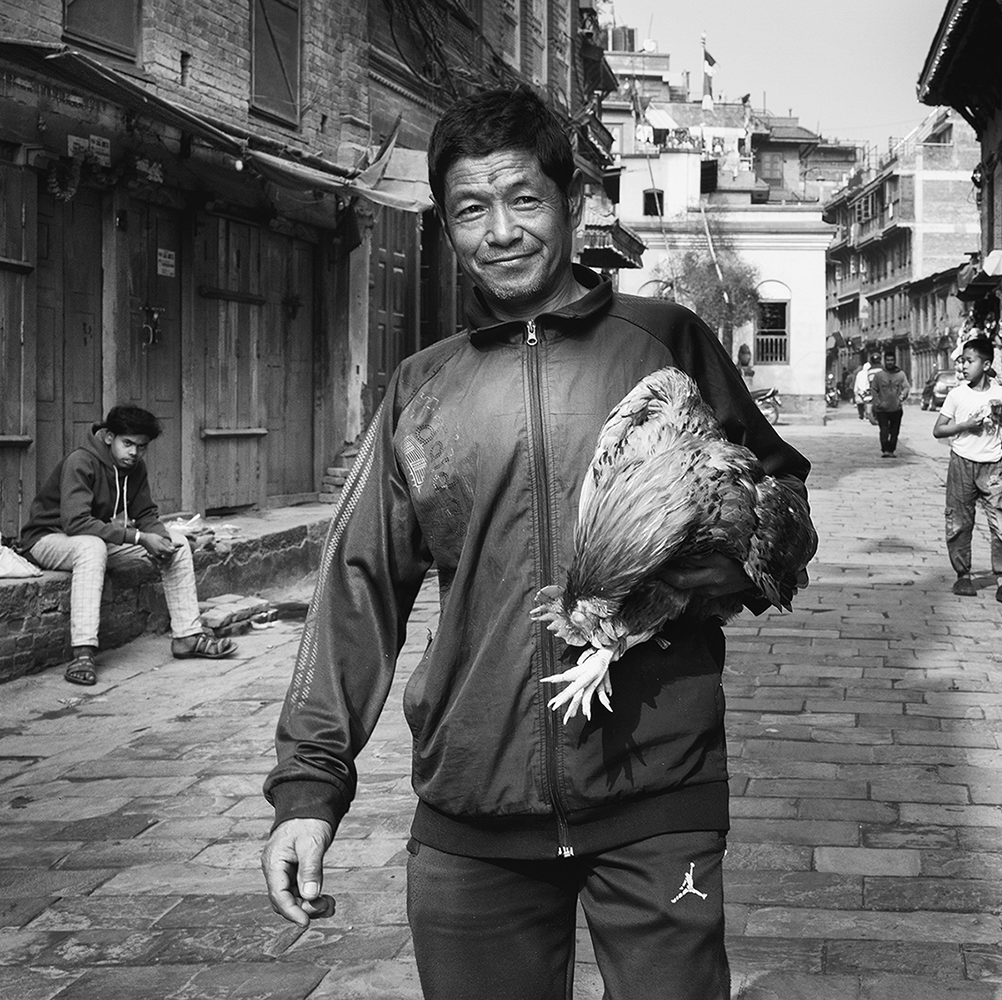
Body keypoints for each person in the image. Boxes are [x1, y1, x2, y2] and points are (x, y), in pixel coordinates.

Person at [259, 86, 812, 1000]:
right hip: (473, 810)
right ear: (446, 225)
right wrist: (308, 791)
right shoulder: (420, 389)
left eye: (524, 199)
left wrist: (684, 578)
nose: (502, 231)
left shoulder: (664, 344)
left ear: (574, 203)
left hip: (656, 796)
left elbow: (779, 505)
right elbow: (357, 588)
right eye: (471, 209)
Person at [19, 405, 236, 686]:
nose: (134, 453)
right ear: (109, 437)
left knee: (178, 542)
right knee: (92, 548)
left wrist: (159, 539)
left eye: (141, 447)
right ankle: (83, 653)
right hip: (47, 538)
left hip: (91, 538)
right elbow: (75, 522)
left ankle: (187, 636)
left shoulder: (134, 468)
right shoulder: (81, 461)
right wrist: (140, 538)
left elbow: (145, 514)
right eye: (128, 443)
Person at [933, 337, 1002, 605]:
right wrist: (964, 426)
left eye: (969, 361)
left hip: (992, 466)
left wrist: (1001, 415)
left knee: (1001, 523)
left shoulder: (1000, 394)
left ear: (985, 365)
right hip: (961, 464)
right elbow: (939, 430)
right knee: (959, 522)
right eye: (962, 361)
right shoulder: (957, 395)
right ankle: (963, 575)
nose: (963, 366)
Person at [869, 357, 911, 457]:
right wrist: (877, 403)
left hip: (896, 408)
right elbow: (874, 389)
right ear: (885, 361)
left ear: (894, 361)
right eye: (888, 360)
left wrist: (902, 396)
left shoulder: (900, 374)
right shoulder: (879, 375)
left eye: (891, 360)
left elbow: (906, 387)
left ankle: (891, 449)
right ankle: (885, 449)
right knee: (884, 430)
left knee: (894, 431)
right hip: (882, 409)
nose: (890, 362)